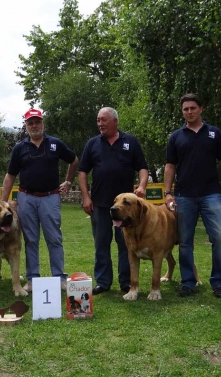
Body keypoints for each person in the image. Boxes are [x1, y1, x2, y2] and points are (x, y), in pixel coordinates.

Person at [164, 93, 221, 298]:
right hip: (183, 196)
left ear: (201, 109)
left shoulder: (214, 134)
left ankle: (218, 282)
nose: (189, 112)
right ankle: (188, 282)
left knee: (220, 237)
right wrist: (168, 192)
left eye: (192, 108)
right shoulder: (176, 137)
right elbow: (170, 166)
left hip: (211, 194)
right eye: (185, 109)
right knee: (185, 241)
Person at [2, 109, 78, 292]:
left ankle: (59, 277)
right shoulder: (20, 147)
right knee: (30, 240)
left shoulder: (55, 144)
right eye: (30, 123)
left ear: (43, 123)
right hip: (26, 198)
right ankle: (32, 279)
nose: (34, 126)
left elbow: (74, 160)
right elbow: (10, 175)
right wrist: (3, 203)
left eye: (37, 122)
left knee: (54, 239)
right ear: (26, 126)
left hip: (50, 197)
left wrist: (68, 181)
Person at [78, 107, 148, 295]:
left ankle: (126, 282)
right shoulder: (92, 144)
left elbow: (142, 167)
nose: (100, 123)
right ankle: (103, 282)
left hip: (126, 208)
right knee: (101, 243)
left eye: (104, 120)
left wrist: (141, 186)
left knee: (126, 245)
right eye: (98, 120)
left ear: (115, 121)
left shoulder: (130, 142)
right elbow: (82, 172)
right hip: (100, 204)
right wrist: (86, 197)